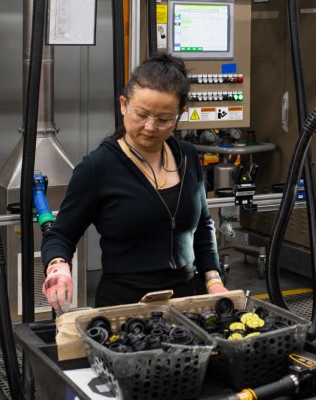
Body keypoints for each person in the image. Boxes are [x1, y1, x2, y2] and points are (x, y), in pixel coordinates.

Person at [41, 53, 227, 310]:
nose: (150, 127)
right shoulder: (98, 167)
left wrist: (212, 278)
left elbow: (203, 224)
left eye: (163, 119)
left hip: (187, 301)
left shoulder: (188, 156)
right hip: (125, 305)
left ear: (179, 115)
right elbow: (60, 235)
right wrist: (58, 268)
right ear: (123, 105)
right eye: (141, 114)